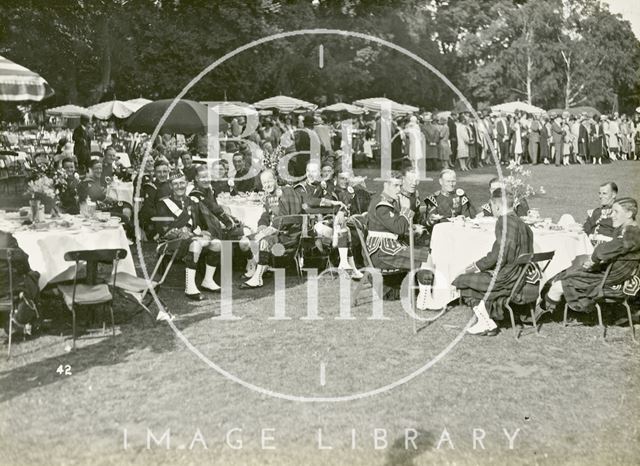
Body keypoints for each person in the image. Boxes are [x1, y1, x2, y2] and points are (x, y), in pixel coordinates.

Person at [452, 189, 534, 335]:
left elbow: (498, 256)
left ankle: (485, 321)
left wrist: (472, 267)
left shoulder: (504, 221)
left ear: (496, 206)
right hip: (520, 277)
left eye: (492, 206)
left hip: (506, 279)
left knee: (461, 280)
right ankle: (489, 319)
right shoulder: (523, 224)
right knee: (474, 278)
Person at [542, 197, 640, 314]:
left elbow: (603, 250)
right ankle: (551, 308)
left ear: (629, 214)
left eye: (616, 212)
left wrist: (594, 259)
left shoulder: (632, 233)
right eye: (612, 211)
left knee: (558, 285)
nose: (612, 215)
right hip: (611, 276)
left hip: (609, 280)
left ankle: (542, 312)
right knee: (565, 273)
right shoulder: (629, 230)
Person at [366, 171, 435, 310]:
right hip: (382, 252)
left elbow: (397, 225)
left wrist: (412, 225)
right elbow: (399, 228)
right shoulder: (381, 204)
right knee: (426, 257)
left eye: (400, 186)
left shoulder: (386, 200)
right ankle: (424, 299)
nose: (399, 189)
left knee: (427, 252)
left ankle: (425, 295)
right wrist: (405, 209)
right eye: (396, 186)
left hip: (388, 247)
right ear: (386, 184)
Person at [154, 170, 222, 301]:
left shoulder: (193, 201)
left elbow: (203, 223)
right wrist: (180, 232)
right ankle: (190, 287)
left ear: (187, 183)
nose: (179, 186)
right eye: (175, 184)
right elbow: (163, 229)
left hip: (191, 239)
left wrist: (204, 231)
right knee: (196, 244)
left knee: (216, 244)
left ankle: (207, 280)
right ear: (170, 186)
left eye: (182, 183)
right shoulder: (163, 204)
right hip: (170, 243)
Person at [188, 164, 254, 278]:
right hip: (208, 230)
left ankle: (250, 263)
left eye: (208, 176)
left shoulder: (208, 190)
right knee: (245, 232)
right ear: (196, 179)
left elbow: (217, 210)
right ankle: (250, 263)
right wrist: (227, 222)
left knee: (246, 232)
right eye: (202, 177)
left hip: (216, 226)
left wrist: (231, 219)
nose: (206, 179)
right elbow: (213, 211)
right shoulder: (195, 195)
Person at [240, 170, 303, 289]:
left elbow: (291, 217)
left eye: (269, 181)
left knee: (263, 241)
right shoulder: (268, 197)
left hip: (288, 235)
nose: (267, 185)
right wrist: (261, 227)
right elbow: (265, 216)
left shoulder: (287, 191)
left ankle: (257, 278)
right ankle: (254, 268)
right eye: (264, 183)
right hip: (274, 232)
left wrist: (266, 232)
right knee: (244, 242)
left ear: (275, 179)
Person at [0, 231, 41, 336]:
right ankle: (28, 320)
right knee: (33, 278)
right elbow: (24, 264)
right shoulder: (6, 238)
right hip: (10, 290)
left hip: (5, 288)